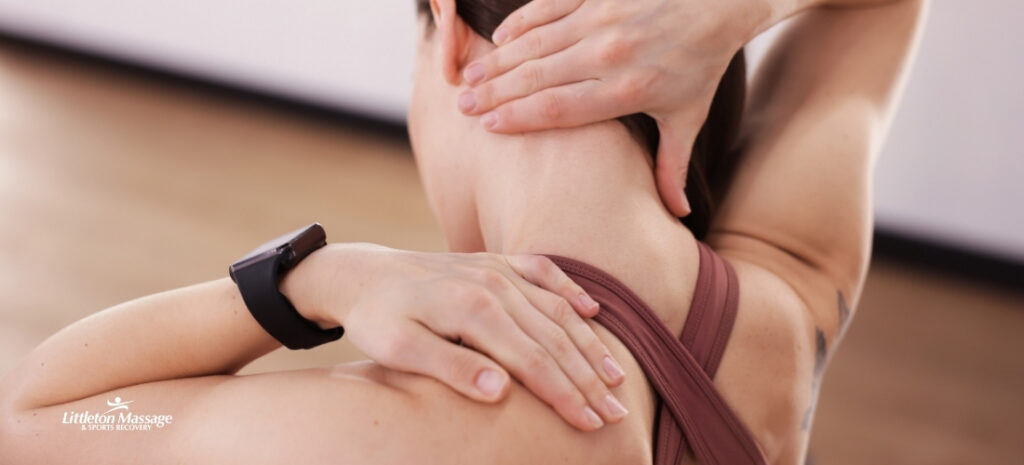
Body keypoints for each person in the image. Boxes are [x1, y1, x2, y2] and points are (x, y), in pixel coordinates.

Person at [0, 0, 926, 463]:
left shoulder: (414, 427)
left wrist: (316, 281)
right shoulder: (779, 309)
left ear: (447, 33)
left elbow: (37, 420)